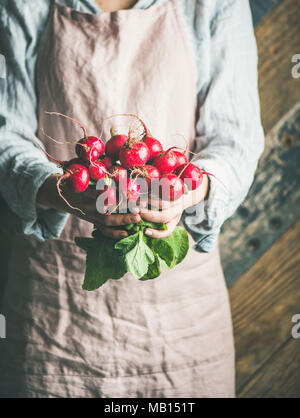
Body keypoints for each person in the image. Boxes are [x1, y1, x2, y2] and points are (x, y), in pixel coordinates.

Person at [0, 0, 264, 398]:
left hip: (181, 329)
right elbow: (6, 137)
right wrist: (67, 192)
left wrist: (185, 193)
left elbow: (236, 141)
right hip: (52, 323)